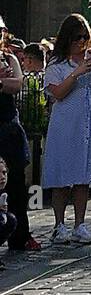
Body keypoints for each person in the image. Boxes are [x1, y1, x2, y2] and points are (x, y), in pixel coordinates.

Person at [41, 14, 91, 244]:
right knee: (63, 177)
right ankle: (59, 225)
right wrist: (78, 72)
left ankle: (80, 224)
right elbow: (58, 93)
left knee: (83, 177)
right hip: (65, 124)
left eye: (85, 37)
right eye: (77, 38)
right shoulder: (57, 64)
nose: (82, 42)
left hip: (87, 123)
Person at [0, 26, 37, 255]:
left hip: (8, 129)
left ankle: (19, 236)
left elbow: (17, 84)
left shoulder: (9, 57)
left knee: (16, 186)